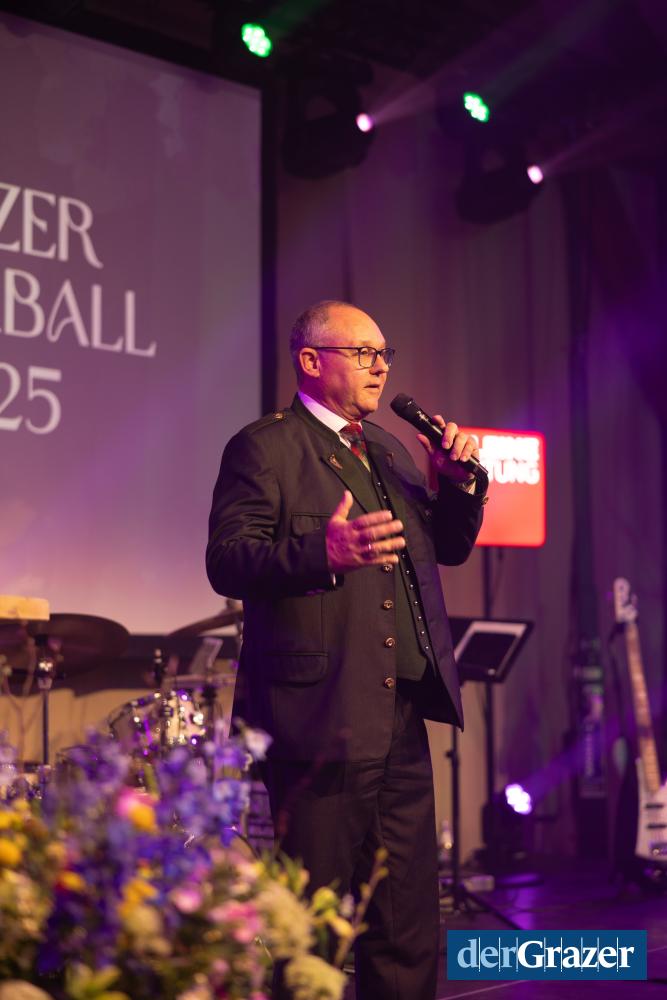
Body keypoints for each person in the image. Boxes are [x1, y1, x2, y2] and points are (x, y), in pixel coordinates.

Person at [206, 301, 486, 1000]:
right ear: (311, 361)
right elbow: (227, 560)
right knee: (314, 932)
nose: (380, 366)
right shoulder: (265, 447)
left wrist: (457, 485)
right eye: (363, 353)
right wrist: (319, 552)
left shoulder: (388, 450)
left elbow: (446, 548)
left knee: (406, 925)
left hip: (399, 718)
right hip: (318, 719)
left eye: (384, 354)